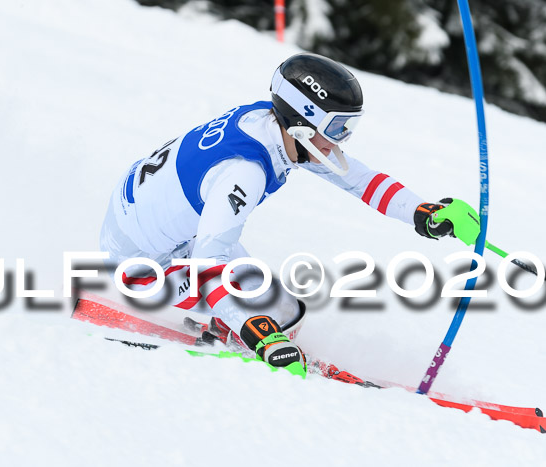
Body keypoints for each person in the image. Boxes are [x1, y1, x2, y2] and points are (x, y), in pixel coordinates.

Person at [100, 53, 479, 376]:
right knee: (265, 311)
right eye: (337, 127)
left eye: (349, 126)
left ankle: (230, 324)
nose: (341, 139)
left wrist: (421, 211)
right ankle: (228, 331)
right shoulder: (245, 171)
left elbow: (357, 179)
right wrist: (256, 330)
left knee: (283, 308)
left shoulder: (274, 127)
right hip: (138, 267)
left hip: (161, 231)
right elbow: (208, 263)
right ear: (303, 121)